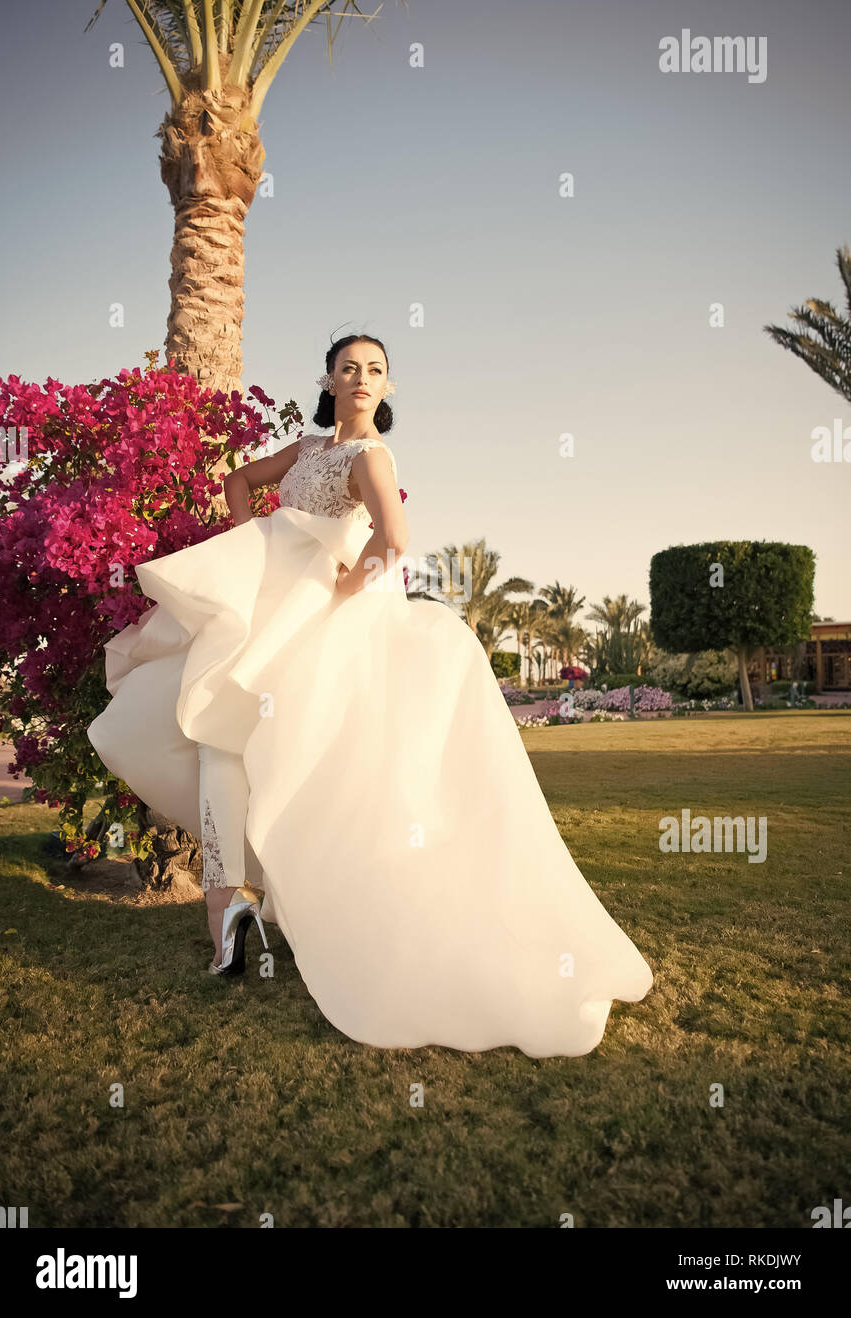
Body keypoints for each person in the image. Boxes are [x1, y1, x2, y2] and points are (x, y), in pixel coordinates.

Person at [86, 334, 653, 1058]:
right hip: (272, 610)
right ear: (328, 378)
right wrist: (251, 551)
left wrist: (328, 594)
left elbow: (393, 544)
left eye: (374, 370)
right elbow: (238, 484)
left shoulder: (369, 457)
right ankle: (231, 906)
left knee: (262, 745)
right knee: (220, 737)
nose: (360, 378)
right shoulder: (304, 448)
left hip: (325, 624)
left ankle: (244, 907)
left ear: (387, 389)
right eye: (348, 367)